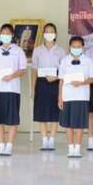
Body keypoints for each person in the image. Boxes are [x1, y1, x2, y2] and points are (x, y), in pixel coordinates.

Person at [0, 24, 27, 156]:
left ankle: (9, 145)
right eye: (3, 33)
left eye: (8, 33)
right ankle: (1, 144)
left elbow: (23, 70)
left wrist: (11, 76)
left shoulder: (18, 51)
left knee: (12, 118)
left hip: (12, 89)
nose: (5, 35)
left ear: (12, 35)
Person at [57, 36, 93, 158]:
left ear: (83, 47)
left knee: (79, 124)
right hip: (67, 96)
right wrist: (60, 97)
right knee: (68, 124)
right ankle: (70, 148)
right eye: (74, 46)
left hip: (82, 97)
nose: (76, 48)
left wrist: (82, 83)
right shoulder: (64, 61)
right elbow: (61, 80)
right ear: (69, 47)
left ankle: (77, 148)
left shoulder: (88, 61)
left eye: (79, 46)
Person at [32, 22, 66, 151]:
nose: (49, 34)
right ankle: (44, 140)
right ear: (43, 34)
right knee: (42, 112)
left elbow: (64, 71)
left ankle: (51, 140)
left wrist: (55, 77)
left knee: (54, 113)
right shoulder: (37, 50)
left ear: (55, 34)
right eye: (47, 31)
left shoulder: (60, 51)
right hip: (41, 83)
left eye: (52, 31)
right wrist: (33, 88)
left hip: (55, 83)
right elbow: (34, 70)